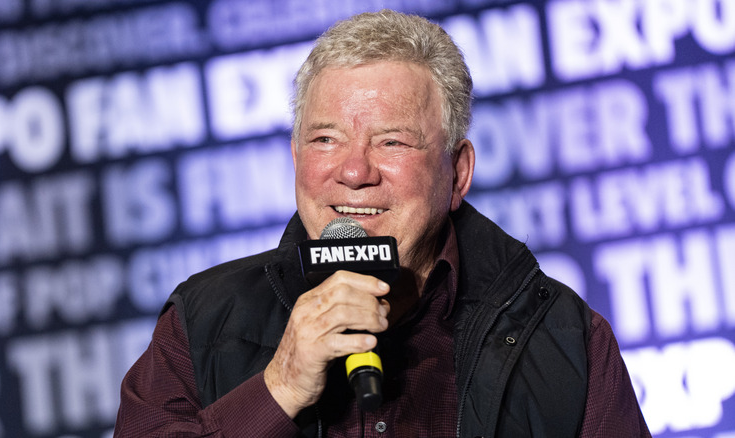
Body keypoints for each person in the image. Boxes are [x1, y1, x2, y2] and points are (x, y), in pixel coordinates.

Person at [115, 9, 651, 437]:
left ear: (458, 172)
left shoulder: (563, 339)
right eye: (325, 139)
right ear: (297, 159)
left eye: (391, 141)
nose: (353, 171)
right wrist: (278, 390)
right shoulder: (200, 323)